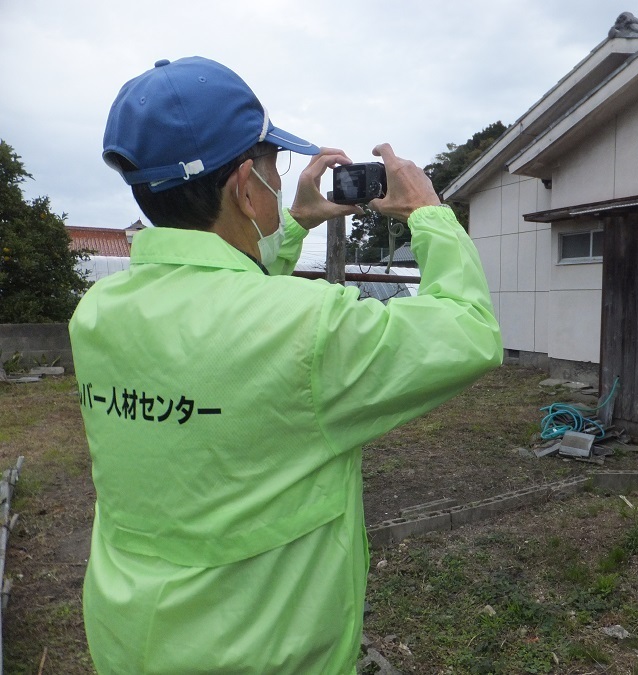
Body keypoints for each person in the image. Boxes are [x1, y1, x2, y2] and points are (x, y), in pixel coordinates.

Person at [69, 56, 502, 674]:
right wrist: (429, 214)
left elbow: (220, 303)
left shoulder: (98, 313)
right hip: (261, 653)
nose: (281, 177)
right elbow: (469, 331)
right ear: (245, 186)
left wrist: (291, 222)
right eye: (273, 164)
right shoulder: (309, 326)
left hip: (128, 637)